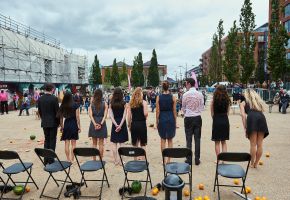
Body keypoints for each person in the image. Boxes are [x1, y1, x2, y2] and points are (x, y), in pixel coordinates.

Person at [240, 88, 269, 168]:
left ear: (246, 94)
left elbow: (243, 116)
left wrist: (245, 128)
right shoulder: (257, 102)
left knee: (253, 144)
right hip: (261, 118)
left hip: (252, 118)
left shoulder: (243, 103)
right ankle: (256, 163)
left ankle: (252, 162)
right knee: (260, 144)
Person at [182, 78, 204, 165]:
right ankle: (197, 159)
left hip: (188, 117)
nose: (185, 85)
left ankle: (189, 158)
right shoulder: (200, 94)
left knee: (189, 139)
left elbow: (183, 107)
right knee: (197, 139)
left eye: (186, 83)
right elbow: (202, 107)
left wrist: (187, 112)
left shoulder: (185, 94)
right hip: (197, 117)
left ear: (189, 84)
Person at [38, 83, 60, 165]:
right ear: (52, 89)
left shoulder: (40, 99)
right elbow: (57, 112)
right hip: (53, 122)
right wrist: (58, 123)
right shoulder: (54, 98)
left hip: (44, 122)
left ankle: (45, 159)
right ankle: (51, 159)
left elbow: (39, 111)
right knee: (52, 140)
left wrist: (43, 118)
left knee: (46, 140)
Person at [156, 81, 177, 164]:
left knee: (163, 139)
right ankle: (169, 159)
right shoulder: (173, 97)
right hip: (171, 117)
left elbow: (157, 111)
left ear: (162, 87)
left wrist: (156, 121)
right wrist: (175, 121)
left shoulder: (159, 97)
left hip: (162, 118)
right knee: (170, 139)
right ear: (169, 87)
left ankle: (163, 159)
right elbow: (174, 110)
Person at [57, 92, 80, 162]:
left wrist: (62, 126)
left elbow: (61, 118)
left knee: (66, 143)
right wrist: (79, 126)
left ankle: (68, 159)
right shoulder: (75, 105)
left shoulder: (62, 105)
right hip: (73, 124)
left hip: (66, 124)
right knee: (73, 143)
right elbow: (77, 117)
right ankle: (73, 159)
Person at [109, 88, 128, 165]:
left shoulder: (111, 103)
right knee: (122, 143)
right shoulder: (124, 103)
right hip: (122, 123)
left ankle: (115, 160)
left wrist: (116, 124)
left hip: (115, 123)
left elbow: (111, 116)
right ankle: (121, 161)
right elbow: (124, 115)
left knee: (114, 143)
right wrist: (120, 125)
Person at [210, 85, 231, 158]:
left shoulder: (214, 101)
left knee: (217, 142)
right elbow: (228, 112)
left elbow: (212, 113)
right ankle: (224, 158)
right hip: (225, 120)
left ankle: (218, 159)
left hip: (216, 120)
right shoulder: (227, 100)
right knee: (224, 142)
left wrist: (215, 119)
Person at [127, 87, 148, 158]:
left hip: (134, 124)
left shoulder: (131, 103)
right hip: (142, 123)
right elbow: (145, 113)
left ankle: (135, 159)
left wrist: (129, 125)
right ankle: (142, 159)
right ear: (141, 93)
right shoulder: (144, 102)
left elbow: (129, 116)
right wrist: (146, 116)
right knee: (143, 144)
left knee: (135, 144)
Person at [88, 89, 108, 159]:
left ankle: (94, 159)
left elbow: (90, 115)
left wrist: (95, 124)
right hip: (101, 123)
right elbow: (105, 115)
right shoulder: (105, 103)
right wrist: (101, 124)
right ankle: (101, 159)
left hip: (94, 123)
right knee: (101, 144)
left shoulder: (91, 104)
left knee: (94, 143)